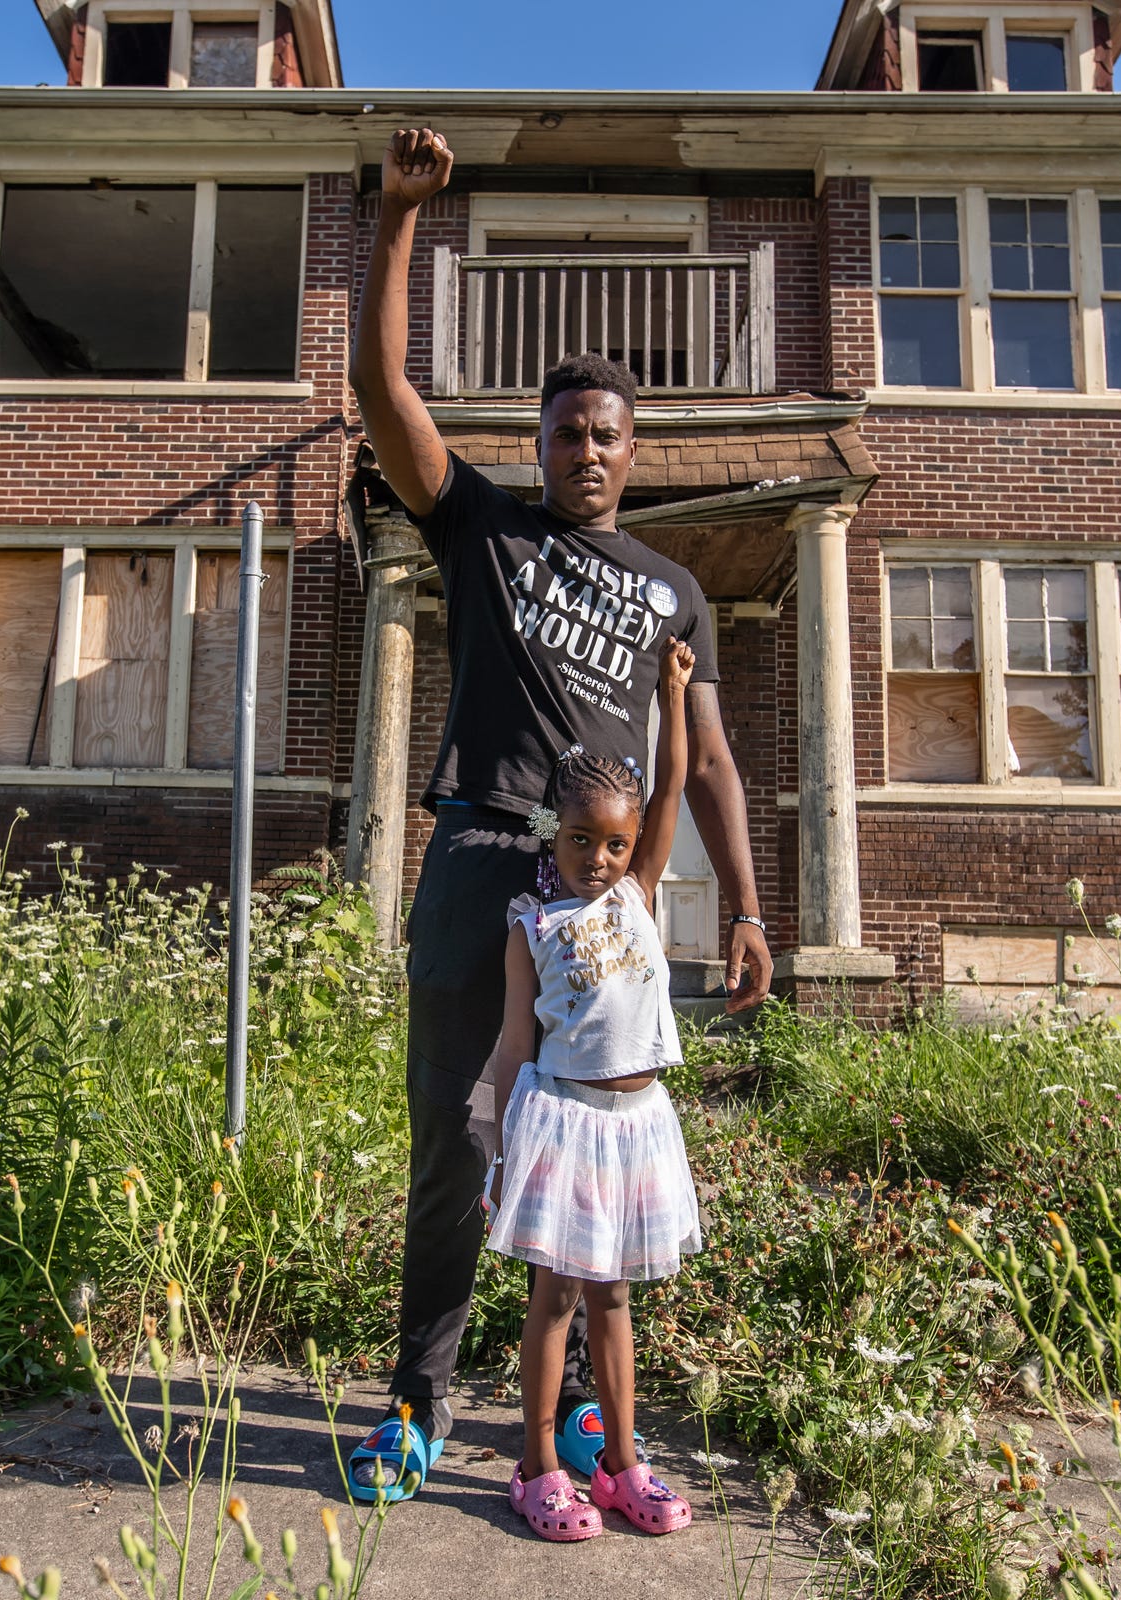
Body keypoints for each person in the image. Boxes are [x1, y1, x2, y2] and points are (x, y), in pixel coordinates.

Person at [343, 124, 773, 1501]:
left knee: (596, 1144)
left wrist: (753, 908)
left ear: (633, 451)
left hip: (608, 905)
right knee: (459, 1136)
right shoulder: (483, 529)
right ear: (534, 445)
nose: (584, 449)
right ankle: (415, 1401)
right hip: (481, 856)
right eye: (563, 432)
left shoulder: (672, 590)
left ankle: (583, 1410)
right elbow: (379, 387)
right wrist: (405, 215)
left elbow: (706, 763)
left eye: (605, 434)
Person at [487, 640, 703, 1541]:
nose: (601, 859)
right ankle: (537, 1466)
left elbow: (675, 780)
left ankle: (620, 1464)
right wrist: (500, 1148)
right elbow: (512, 1043)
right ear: (553, 834)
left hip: (640, 1124)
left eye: (616, 842)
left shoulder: (638, 896)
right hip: (566, 1123)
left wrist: (675, 695)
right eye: (582, 840)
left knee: (615, 1298)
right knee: (558, 1298)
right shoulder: (532, 924)